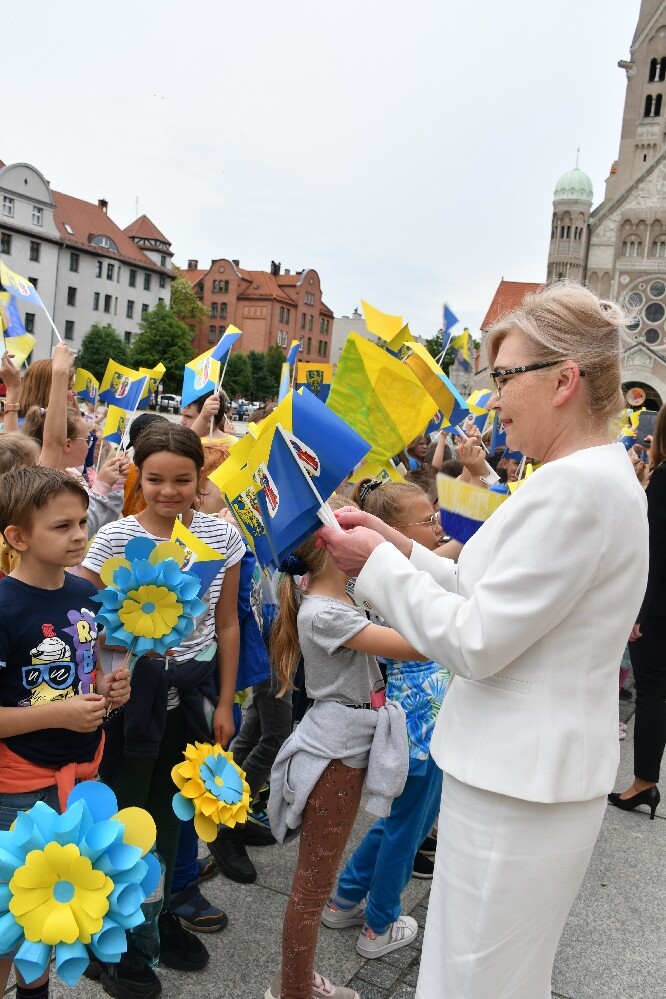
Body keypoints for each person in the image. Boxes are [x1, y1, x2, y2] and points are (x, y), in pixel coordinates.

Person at [319, 282, 649, 999]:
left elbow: (476, 638)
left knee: (474, 979)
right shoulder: (582, 476)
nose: (493, 399)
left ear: (564, 381)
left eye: (505, 377)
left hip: (519, 780)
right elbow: (485, 581)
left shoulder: (575, 487)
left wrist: (371, 564)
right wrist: (400, 547)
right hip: (521, 773)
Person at [81, 423, 245, 995]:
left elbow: (226, 624)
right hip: (126, 708)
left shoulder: (222, 540)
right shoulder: (113, 539)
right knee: (122, 818)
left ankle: (154, 919)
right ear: (138, 478)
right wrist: (106, 680)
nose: (169, 491)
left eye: (183, 479)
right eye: (155, 479)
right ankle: (110, 939)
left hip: (189, 706)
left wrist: (224, 701)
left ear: (201, 479)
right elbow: (88, 628)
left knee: (174, 819)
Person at [265, 500, 423, 999]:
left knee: (316, 883)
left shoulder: (339, 597)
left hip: (346, 742)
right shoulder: (324, 613)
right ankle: (294, 991)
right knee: (312, 889)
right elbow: (420, 642)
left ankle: (297, 985)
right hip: (334, 754)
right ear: (332, 546)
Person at [0, 467, 130, 998]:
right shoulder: (5, 607)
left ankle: (37, 991)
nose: (80, 534)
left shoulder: (86, 594)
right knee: (11, 915)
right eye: (62, 526)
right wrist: (58, 715)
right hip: (18, 790)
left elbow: (89, 671)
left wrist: (110, 689)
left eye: (82, 522)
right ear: (18, 537)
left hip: (82, 779)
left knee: (53, 911)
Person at [322, 480, 449, 959]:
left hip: (408, 726)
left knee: (398, 823)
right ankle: (379, 925)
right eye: (427, 520)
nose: (436, 526)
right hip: (421, 729)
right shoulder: (400, 586)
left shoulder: (382, 580)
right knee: (408, 832)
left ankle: (344, 899)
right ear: (392, 534)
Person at [609, 402, 666, 818]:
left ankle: (644, 782)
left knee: (652, 693)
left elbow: (657, 552)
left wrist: (639, 613)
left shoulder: (664, 477)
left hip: (658, 606)